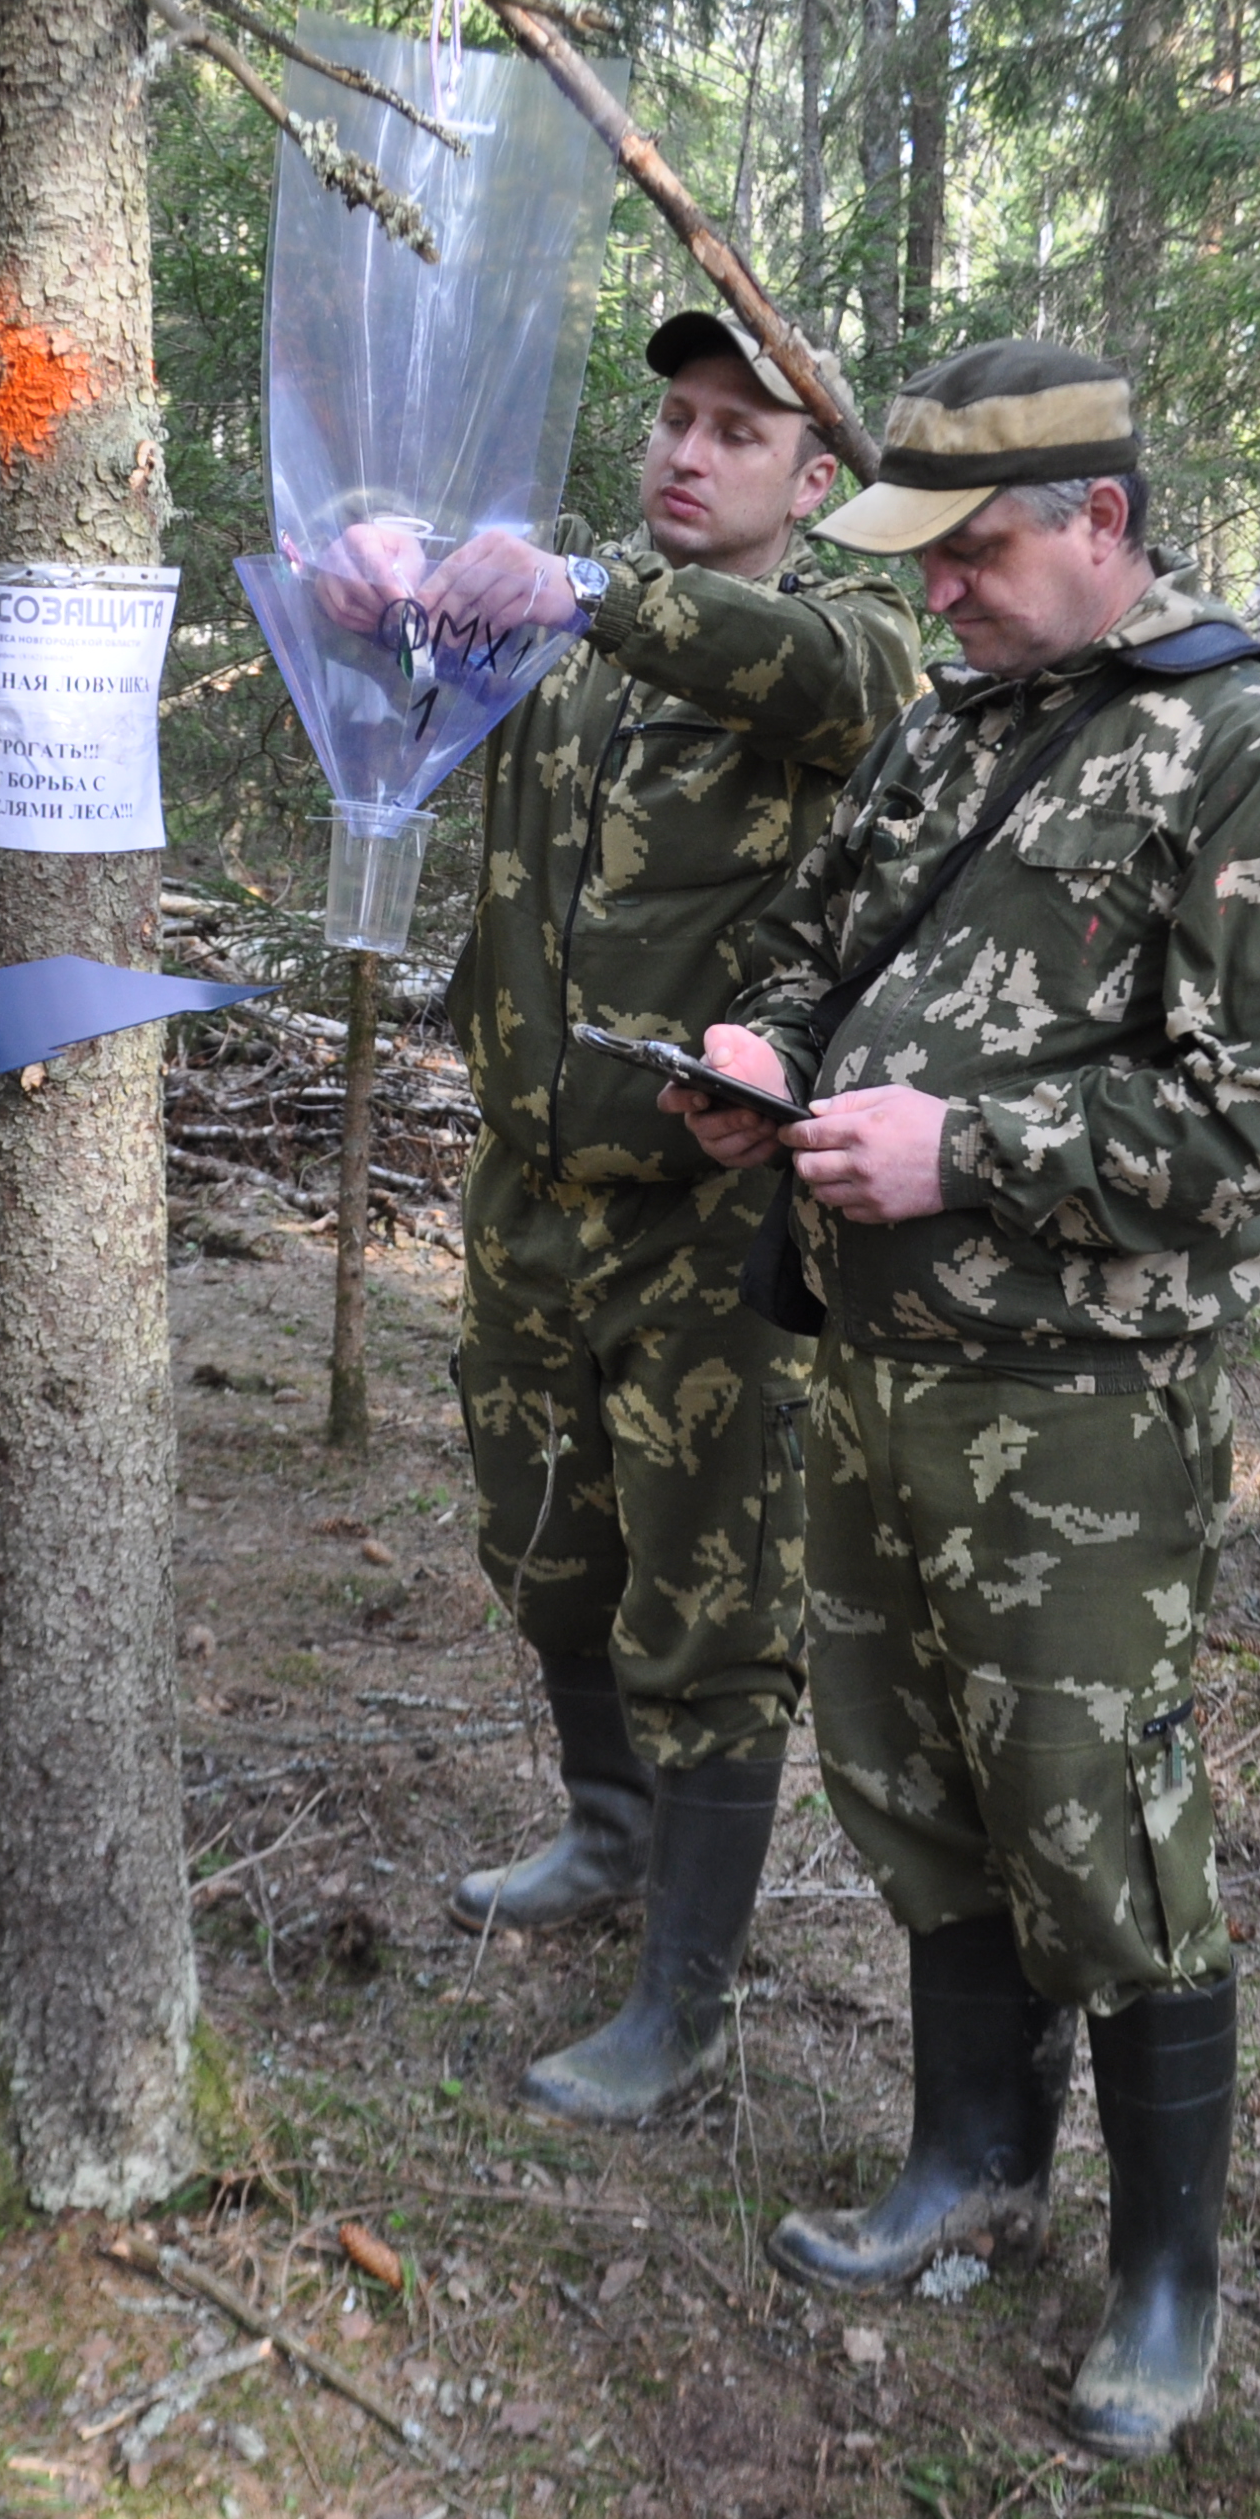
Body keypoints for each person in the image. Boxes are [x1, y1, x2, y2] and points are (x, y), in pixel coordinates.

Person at [665, 338, 1260, 2452]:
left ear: (1098, 522)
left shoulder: (1253, 752)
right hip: (873, 1361)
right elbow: (812, 931)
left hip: (1073, 1402)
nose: (942, 595)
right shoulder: (956, 724)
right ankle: (967, 2155)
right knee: (903, 1779)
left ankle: (1167, 2279)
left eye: (972, 553)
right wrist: (757, 1056)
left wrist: (957, 1150)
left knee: (1093, 1813)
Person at [319, 311, 919, 2120]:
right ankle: (603, 1833)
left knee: (713, 1608)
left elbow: (809, 678)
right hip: (528, 1191)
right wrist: (373, 577)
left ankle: (687, 1994)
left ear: (818, 485)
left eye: (739, 432)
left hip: (709, 1224)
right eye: (672, 417)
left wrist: (570, 583)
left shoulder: (857, 649)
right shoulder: (557, 656)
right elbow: (407, 686)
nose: (687, 450)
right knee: (546, 1548)